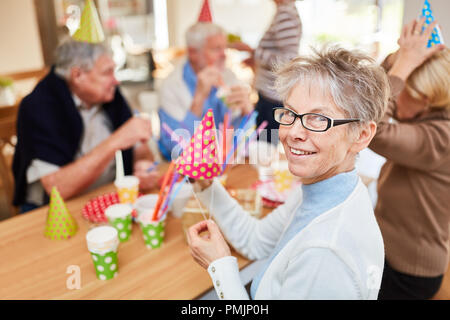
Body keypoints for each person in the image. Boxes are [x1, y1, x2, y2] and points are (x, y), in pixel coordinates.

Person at [186, 46, 390, 299]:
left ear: (361, 135)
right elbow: (257, 240)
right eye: (290, 113)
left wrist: (221, 269)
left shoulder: (325, 252)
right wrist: (206, 184)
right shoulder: (321, 190)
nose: (293, 132)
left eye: (318, 119)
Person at [12, 39, 159, 213]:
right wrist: (116, 141)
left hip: (101, 197)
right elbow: (56, 189)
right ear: (77, 75)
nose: (116, 81)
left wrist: (142, 164)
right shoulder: (39, 106)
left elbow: (138, 144)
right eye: (107, 72)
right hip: (50, 210)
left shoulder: (109, 94)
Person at [368, 18, 449, 300]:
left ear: (426, 98)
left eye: (405, 91)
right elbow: (373, 93)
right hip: (388, 252)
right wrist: (401, 56)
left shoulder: (442, 137)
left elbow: (372, 129)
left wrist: (403, 68)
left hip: (408, 271)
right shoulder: (431, 116)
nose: (396, 95)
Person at [157, 22, 254, 160]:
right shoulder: (171, 87)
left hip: (221, 165)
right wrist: (199, 98)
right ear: (193, 53)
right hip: (182, 174)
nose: (224, 55)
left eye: (224, 48)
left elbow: (241, 141)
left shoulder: (228, 76)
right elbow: (180, 150)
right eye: (216, 49)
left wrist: (247, 112)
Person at [229, 0, 302, 144]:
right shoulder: (284, 12)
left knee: (265, 146)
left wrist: (252, 51)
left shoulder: (285, 15)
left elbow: (288, 60)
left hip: (272, 97)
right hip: (269, 94)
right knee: (263, 144)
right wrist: (256, 59)